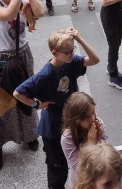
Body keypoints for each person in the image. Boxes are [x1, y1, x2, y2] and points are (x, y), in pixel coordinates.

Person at [14, 29, 100, 189]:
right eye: (68, 52)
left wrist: (80, 40)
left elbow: (95, 59)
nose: (72, 54)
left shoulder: (71, 62)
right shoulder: (44, 75)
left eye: (73, 50)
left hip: (73, 123)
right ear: (55, 52)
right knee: (57, 169)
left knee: (80, 160)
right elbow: (17, 92)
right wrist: (37, 105)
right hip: (53, 130)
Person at [0, 0, 43, 171]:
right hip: (0, 59)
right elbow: (8, 14)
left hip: (21, 56)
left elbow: (39, 12)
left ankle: (30, 135)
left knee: (25, 97)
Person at [61, 92, 108, 189]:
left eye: (93, 112)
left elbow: (106, 152)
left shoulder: (99, 123)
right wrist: (90, 145)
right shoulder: (67, 138)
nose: (93, 118)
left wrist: (98, 140)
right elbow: (77, 168)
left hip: (100, 175)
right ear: (76, 119)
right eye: (87, 116)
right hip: (82, 182)